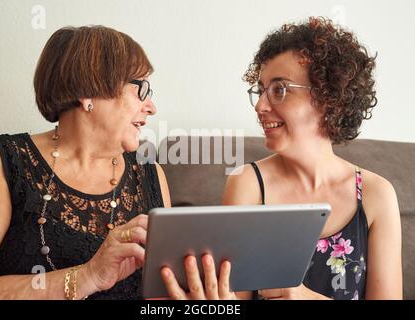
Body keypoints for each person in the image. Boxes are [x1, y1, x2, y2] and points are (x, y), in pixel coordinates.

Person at [161, 17, 402, 300]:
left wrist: (305, 298)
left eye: (279, 90)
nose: (261, 106)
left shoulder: (376, 195)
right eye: (261, 91)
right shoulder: (248, 183)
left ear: (328, 99)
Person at [0, 25, 171, 300]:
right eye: (140, 89)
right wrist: (87, 277)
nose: (151, 107)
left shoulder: (151, 175)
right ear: (89, 93)